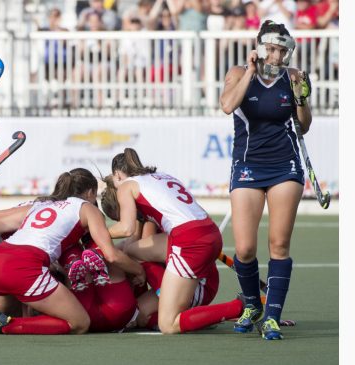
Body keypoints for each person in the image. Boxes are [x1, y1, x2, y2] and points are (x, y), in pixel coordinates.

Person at [0, 168, 146, 335]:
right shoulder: (87, 208)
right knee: (80, 323)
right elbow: (111, 254)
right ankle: (4, 327)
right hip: (24, 266)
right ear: (90, 192)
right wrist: (138, 270)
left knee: (6, 315)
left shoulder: (41, 204)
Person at [219, 20, 312, 340]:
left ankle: (272, 315)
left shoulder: (294, 76)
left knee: (279, 244)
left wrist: (301, 98)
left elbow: (304, 125)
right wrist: (250, 71)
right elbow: (227, 105)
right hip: (247, 165)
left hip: (284, 166)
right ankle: (251, 305)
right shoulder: (237, 73)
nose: (276, 56)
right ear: (258, 46)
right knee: (244, 248)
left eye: (282, 51)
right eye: (271, 49)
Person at [107, 148, 244, 335]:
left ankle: (238, 307)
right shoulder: (160, 177)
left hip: (189, 243)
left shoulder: (125, 186)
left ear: (117, 175)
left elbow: (126, 228)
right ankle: (174, 301)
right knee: (131, 251)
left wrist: (97, 233)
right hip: (208, 231)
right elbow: (131, 243)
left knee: (168, 325)